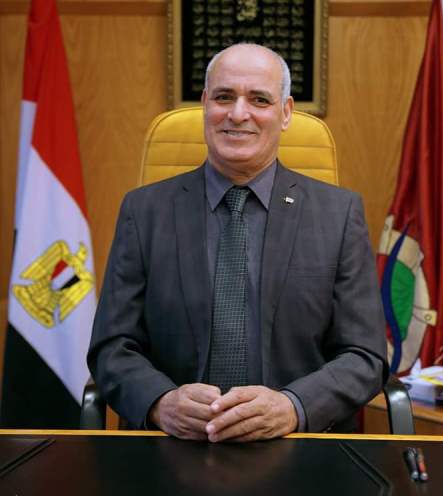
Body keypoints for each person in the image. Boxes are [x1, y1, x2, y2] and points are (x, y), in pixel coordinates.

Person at [88, 43, 387, 442]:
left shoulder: (338, 214)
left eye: (259, 99)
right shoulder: (145, 211)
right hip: (174, 446)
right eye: (224, 97)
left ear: (286, 113)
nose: (238, 113)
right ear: (205, 104)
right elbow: (111, 346)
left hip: (298, 446)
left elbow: (365, 355)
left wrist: (294, 407)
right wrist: (161, 402)